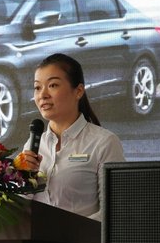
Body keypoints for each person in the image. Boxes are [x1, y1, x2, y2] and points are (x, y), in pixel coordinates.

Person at [21, 53, 126, 221]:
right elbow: (20, 208)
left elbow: (114, 210)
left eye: (53, 85)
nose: (43, 95)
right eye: (37, 87)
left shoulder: (104, 142)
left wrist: (69, 233)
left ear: (78, 91)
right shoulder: (34, 144)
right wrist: (24, 178)